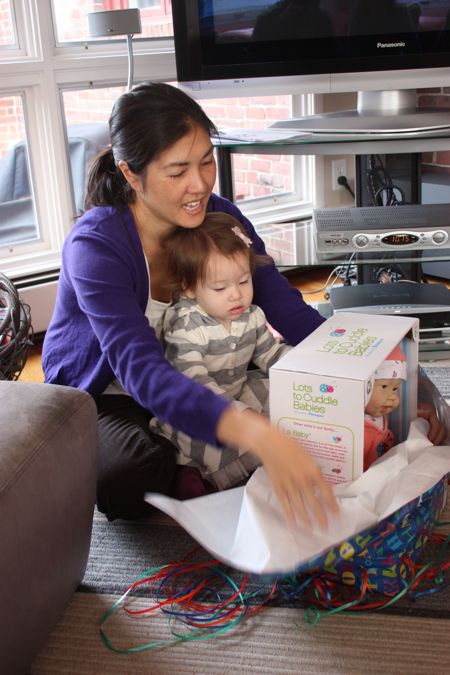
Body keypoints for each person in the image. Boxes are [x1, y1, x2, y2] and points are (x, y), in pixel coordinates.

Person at [42, 81, 337, 528]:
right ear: (131, 175)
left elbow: (287, 309)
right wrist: (253, 431)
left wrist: (373, 367)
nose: (199, 184)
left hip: (211, 365)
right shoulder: (95, 245)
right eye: (177, 171)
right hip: (113, 393)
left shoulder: (219, 219)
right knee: (125, 475)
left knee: (305, 399)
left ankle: (200, 463)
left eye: (206, 162)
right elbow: (142, 373)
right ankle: (187, 469)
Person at [151, 212, 293, 497]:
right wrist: (239, 416)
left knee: (283, 399)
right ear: (190, 288)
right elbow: (193, 380)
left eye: (243, 282)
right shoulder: (186, 324)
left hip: (237, 391)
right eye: (220, 288)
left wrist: (303, 369)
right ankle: (194, 476)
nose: (236, 296)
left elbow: (271, 355)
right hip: (198, 404)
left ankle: (267, 452)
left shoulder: (251, 316)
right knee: (206, 442)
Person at [364, 345, 407, 470]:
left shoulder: (376, 411)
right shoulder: (355, 425)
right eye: (384, 387)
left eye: (395, 389)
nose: (392, 396)